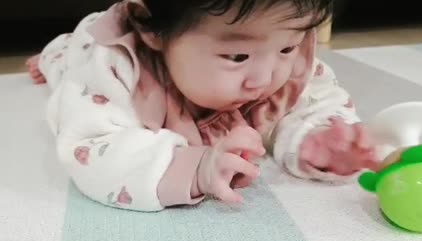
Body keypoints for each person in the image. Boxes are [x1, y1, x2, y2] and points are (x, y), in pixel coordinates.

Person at [26, 0, 379, 211]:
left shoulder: (279, 50)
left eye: (287, 47)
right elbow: (91, 147)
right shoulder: (115, 66)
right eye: (238, 55)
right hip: (85, 46)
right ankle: (51, 50)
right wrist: (194, 168)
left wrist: (318, 139)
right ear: (154, 32)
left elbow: (314, 98)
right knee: (63, 62)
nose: (265, 78)